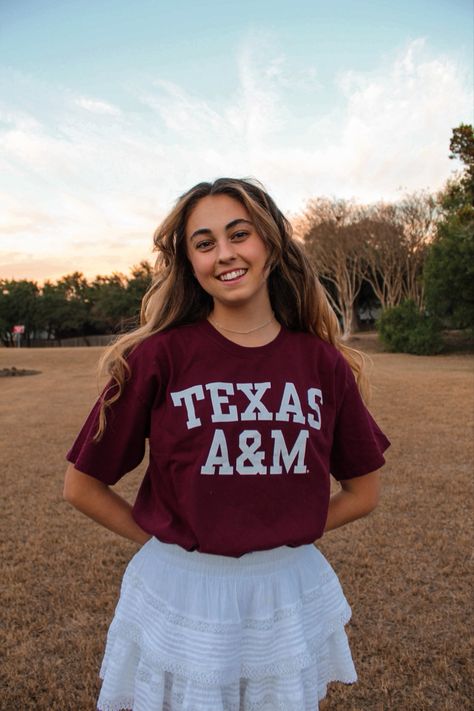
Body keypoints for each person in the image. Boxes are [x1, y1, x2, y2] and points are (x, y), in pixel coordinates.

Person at [63, 177, 390, 711]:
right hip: (180, 589)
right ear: (189, 262)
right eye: (204, 242)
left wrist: (283, 529)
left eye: (240, 234)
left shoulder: (321, 363)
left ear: (270, 244)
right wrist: (165, 541)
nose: (225, 254)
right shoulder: (157, 358)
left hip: (284, 589)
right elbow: (81, 485)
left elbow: (364, 492)